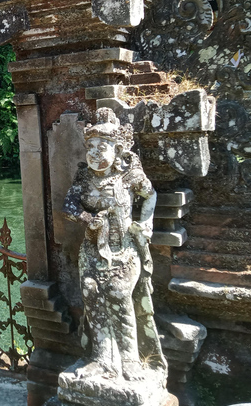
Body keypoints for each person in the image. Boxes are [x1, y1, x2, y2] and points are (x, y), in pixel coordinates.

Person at [62, 108, 165, 382]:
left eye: (103, 146)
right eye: (91, 147)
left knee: (119, 294)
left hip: (124, 251)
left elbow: (151, 195)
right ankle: (103, 361)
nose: (95, 153)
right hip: (93, 249)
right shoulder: (84, 177)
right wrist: (88, 218)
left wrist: (146, 223)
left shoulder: (129, 176)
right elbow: (69, 206)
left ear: (117, 150)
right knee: (91, 294)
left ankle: (130, 361)